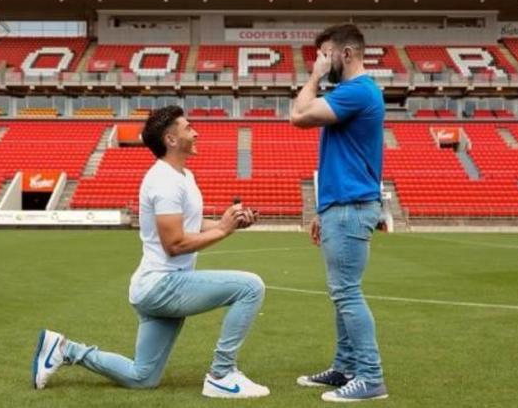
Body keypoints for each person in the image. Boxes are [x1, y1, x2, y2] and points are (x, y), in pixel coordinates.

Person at [31, 105, 269, 399]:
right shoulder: (164, 181)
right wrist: (223, 231)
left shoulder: (183, 176)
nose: (196, 132)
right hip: (162, 285)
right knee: (250, 287)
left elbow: (191, 225)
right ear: (170, 140)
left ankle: (66, 349)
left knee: (142, 377)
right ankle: (222, 375)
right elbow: (175, 244)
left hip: (155, 288)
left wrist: (227, 222)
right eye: (188, 128)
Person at [289, 23, 388, 402]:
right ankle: (346, 366)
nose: (320, 61)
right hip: (340, 205)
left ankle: (371, 377)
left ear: (346, 54)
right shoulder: (352, 92)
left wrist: (313, 77)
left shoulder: (357, 91)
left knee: (346, 292)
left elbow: (297, 116)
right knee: (341, 292)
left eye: (325, 53)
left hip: (350, 207)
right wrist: (321, 209)